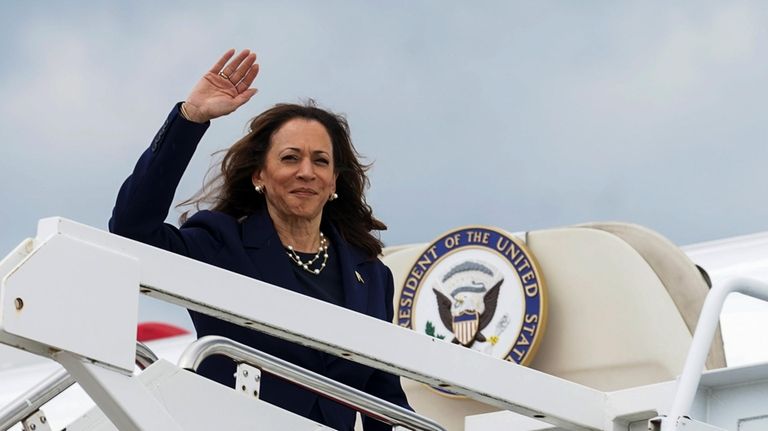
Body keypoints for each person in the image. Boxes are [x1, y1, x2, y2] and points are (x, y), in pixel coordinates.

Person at [109, 49, 410, 430]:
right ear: (259, 175)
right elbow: (132, 229)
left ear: (334, 181)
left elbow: (383, 398)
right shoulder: (219, 244)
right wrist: (190, 119)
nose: (306, 172)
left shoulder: (370, 274)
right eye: (289, 158)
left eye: (320, 161)